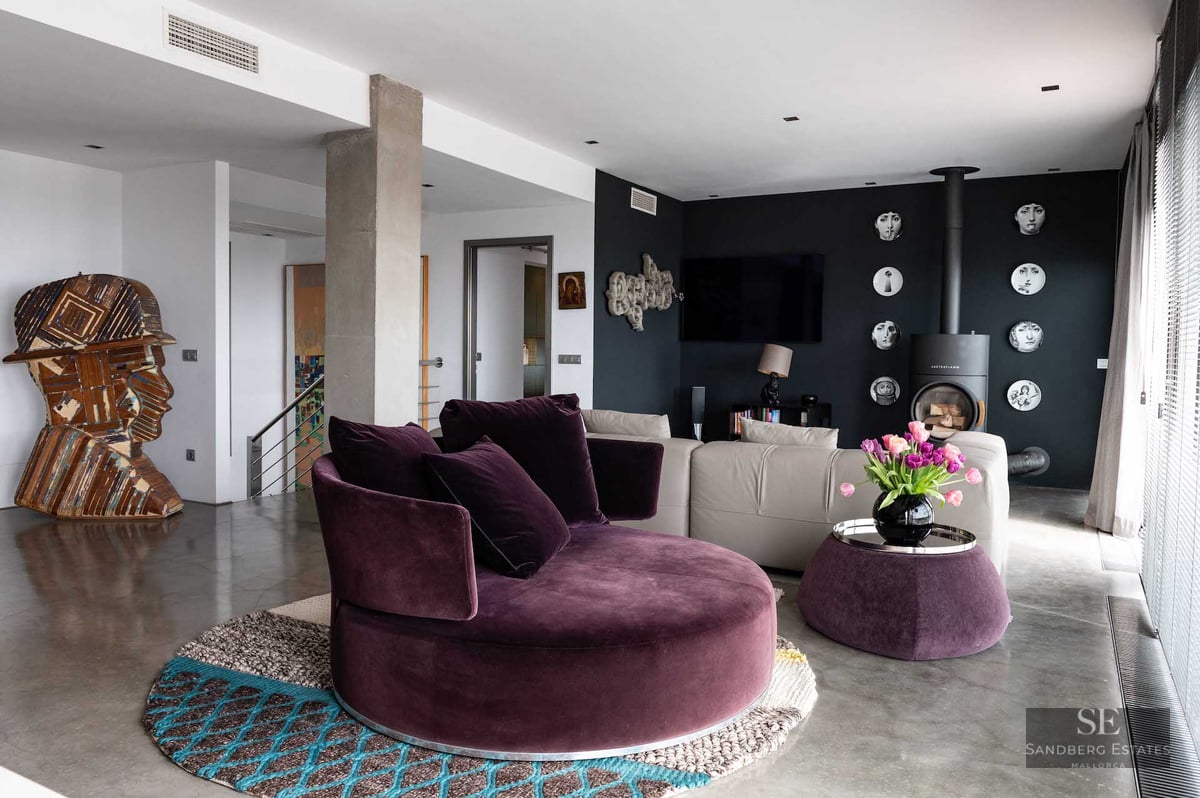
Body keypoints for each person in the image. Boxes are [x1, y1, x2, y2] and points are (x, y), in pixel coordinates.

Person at [3, 274, 183, 518]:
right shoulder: (76, 474)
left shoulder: (136, 470)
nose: (165, 390)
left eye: (158, 371)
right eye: (129, 373)